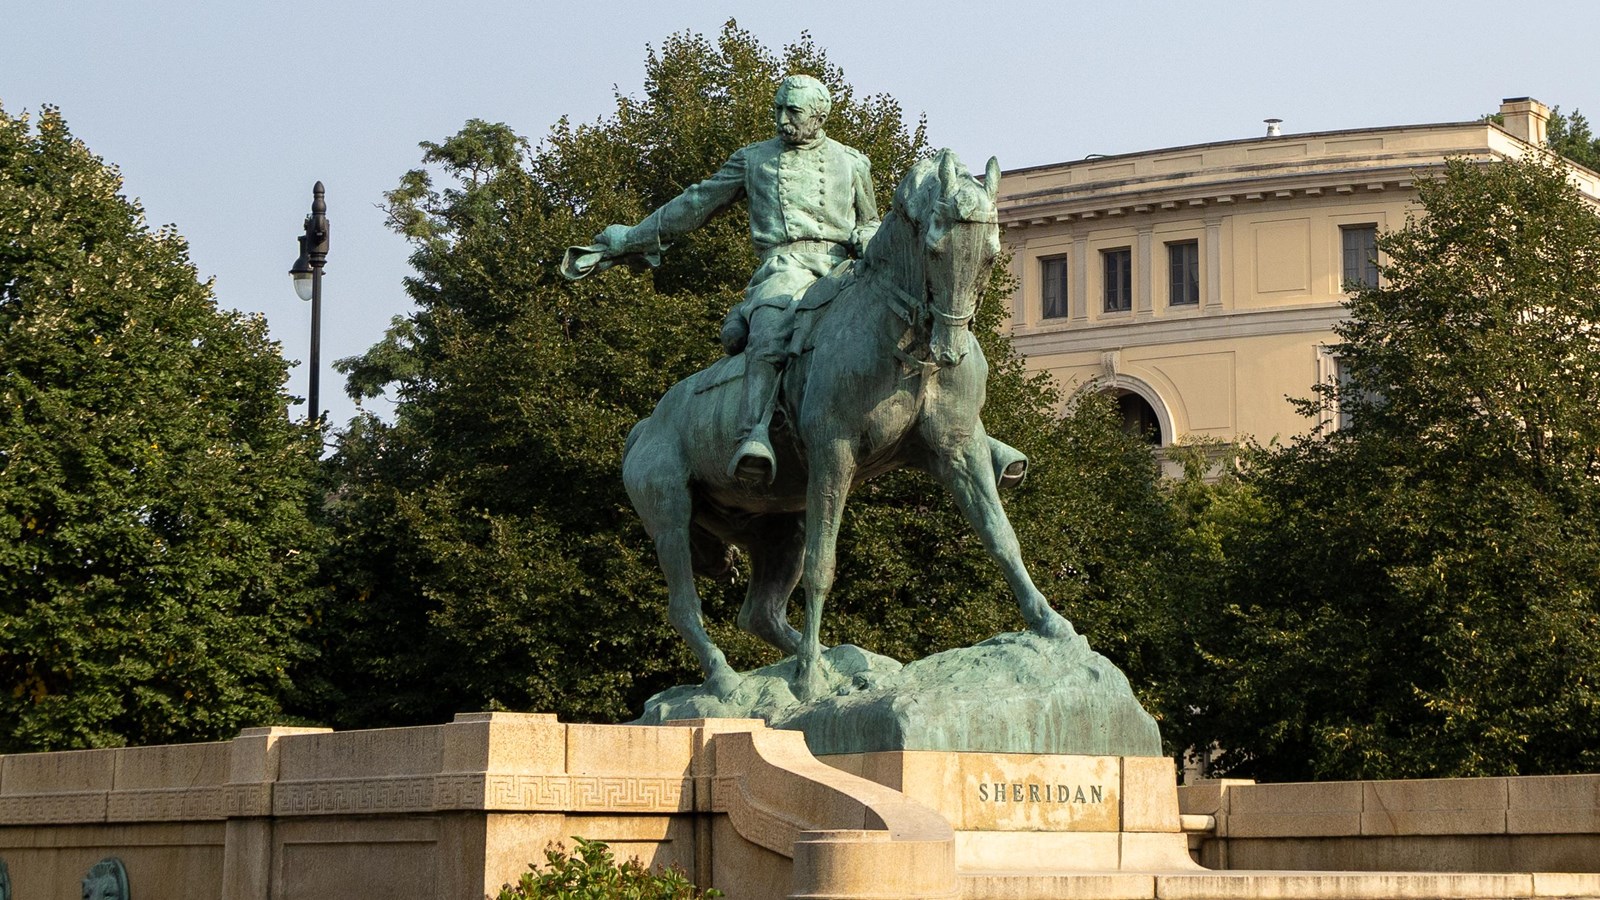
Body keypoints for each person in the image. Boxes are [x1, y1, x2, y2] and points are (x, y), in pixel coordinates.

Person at [566, 74, 879, 482]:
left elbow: (869, 221)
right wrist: (630, 239)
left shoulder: (852, 162)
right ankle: (754, 435)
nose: (781, 118)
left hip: (843, 269)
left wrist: (870, 240)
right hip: (784, 268)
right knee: (770, 330)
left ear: (820, 116)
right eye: (778, 108)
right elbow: (695, 203)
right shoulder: (754, 159)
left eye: (793, 111)